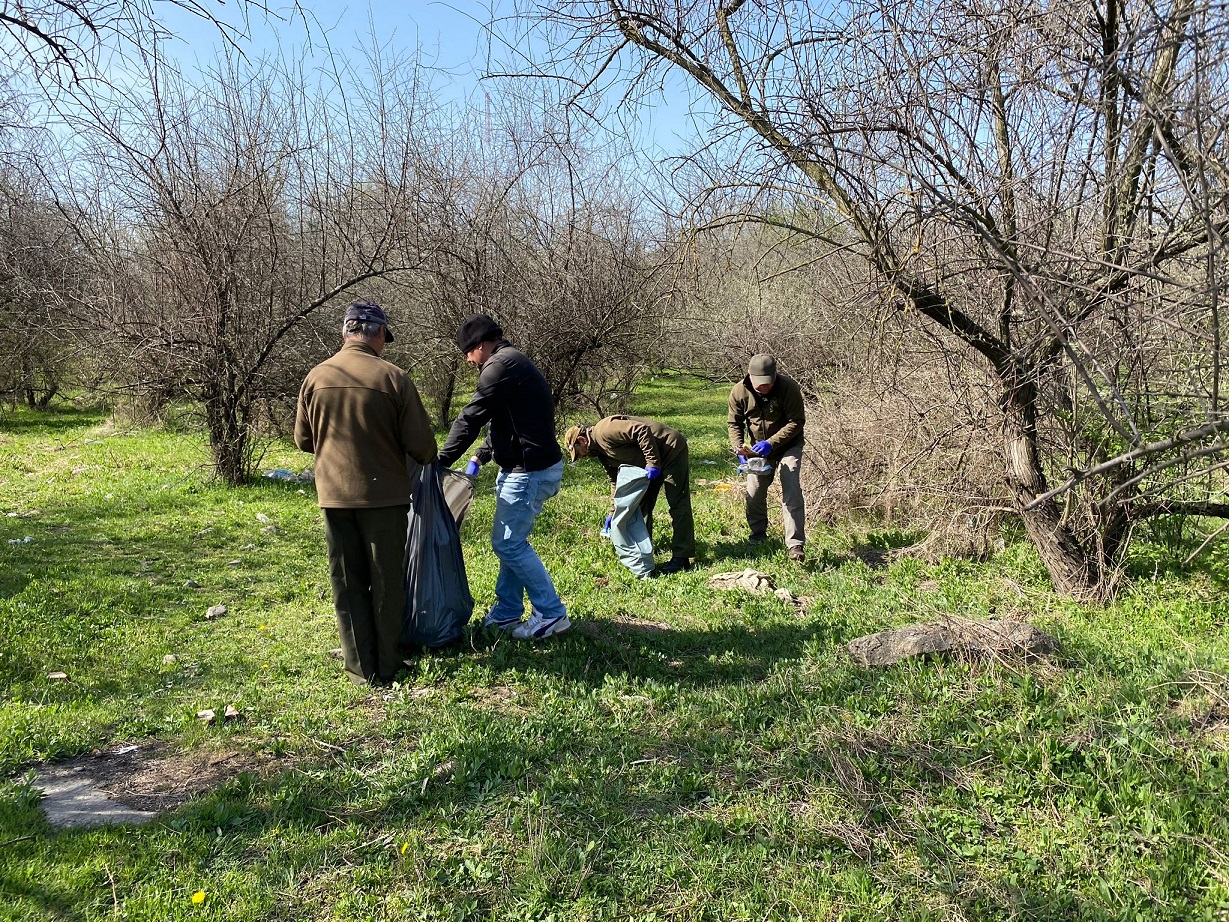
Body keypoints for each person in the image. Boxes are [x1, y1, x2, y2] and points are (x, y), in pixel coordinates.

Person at [294, 302, 439, 685]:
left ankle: (360, 669)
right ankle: (389, 664)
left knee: (347, 580)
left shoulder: (316, 377)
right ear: (377, 334)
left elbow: (303, 440)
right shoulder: (394, 379)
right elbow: (423, 448)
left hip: (334, 497)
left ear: (345, 333)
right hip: (385, 500)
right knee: (387, 581)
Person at [437, 314, 570, 641]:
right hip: (523, 468)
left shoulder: (500, 367)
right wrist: (481, 456)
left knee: (508, 543)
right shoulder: (511, 363)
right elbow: (509, 421)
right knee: (511, 543)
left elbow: (471, 418)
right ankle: (508, 611)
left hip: (530, 472)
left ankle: (551, 613)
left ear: (480, 345)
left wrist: (438, 462)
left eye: (468, 352)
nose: (468, 360)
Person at [564, 416, 696, 574]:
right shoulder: (600, 452)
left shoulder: (605, 430)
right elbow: (615, 480)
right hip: (650, 464)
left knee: (677, 504)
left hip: (670, 450)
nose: (582, 457)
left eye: (578, 453)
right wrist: (612, 513)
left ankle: (682, 557)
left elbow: (641, 430)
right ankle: (643, 552)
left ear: (581, 440)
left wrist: (653, 462)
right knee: (640, 507)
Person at [728, 354, 807, 562]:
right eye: (759, 384)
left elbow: (797, 421)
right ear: (750, 378)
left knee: (791, 489)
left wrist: (770, 443)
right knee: (754, 491)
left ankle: (795, 545)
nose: (764, 388)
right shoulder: (739, 391)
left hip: (788, 446)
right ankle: (758, 537)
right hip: (756, 450)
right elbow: (734, 423)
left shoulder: (788, 388)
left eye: (768, 384)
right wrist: (739, 449)